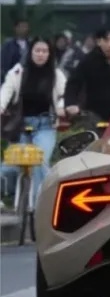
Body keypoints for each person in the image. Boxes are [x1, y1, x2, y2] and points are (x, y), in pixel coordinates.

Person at [0, 39, 66, 204]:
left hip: (46, 125)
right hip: (21, 125)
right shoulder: (18, 71)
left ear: (49, 54)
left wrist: (61, 107)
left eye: (45, 51)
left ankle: (38, 206)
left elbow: (64, 95)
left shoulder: (56, 74)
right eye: (37, 50)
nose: (40, 54)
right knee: (11, 164)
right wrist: (1, 106)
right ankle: (11, 196)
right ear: (30, 52)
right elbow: (6, 90)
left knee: (40, 162)